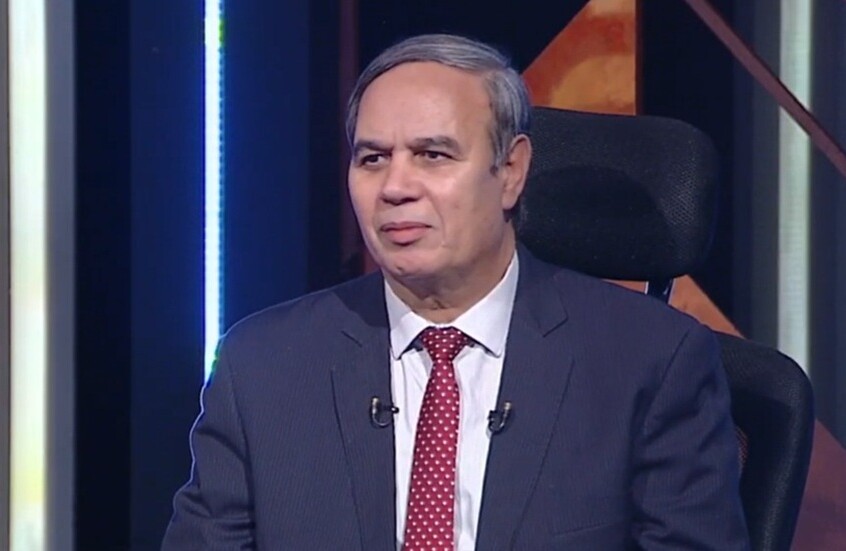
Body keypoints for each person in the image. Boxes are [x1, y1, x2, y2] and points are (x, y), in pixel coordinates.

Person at [162, 33, 749, 550]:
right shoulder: (262, 366)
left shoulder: (650, 361)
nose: (395, 187)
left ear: (511, 171)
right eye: (373, 158)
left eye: (433, 155)